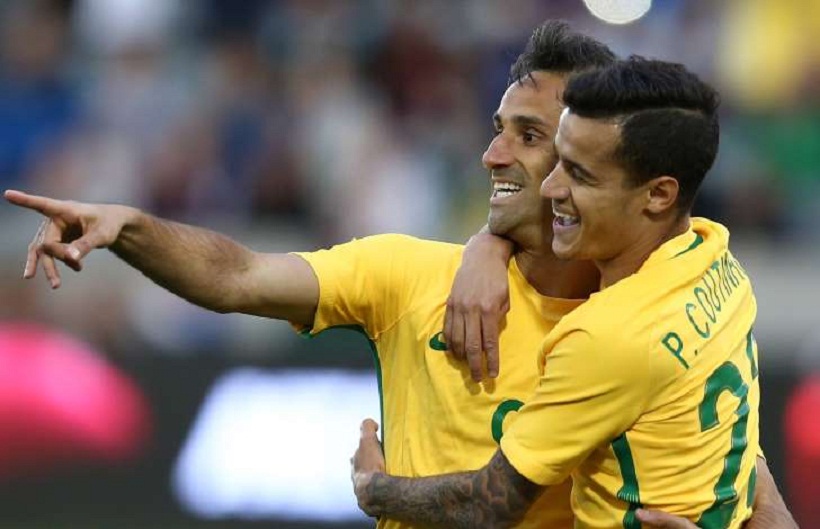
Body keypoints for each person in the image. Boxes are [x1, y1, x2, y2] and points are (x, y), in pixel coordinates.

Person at [4, 23, 793, 529]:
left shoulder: (629, 322)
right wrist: (131, 227)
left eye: (530, 136)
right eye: (498, 129)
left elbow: (735, 462)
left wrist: (374, 488)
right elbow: (237, 276)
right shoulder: (411, 276)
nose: (493, 154)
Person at [350, 57, 794, 529]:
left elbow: (488, 504)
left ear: (659, 195)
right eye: (558, 160)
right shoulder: (715, 258)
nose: (550, 187)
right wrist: (489, 243)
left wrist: (375, 488)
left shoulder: (605, 338)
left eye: (580, 175)